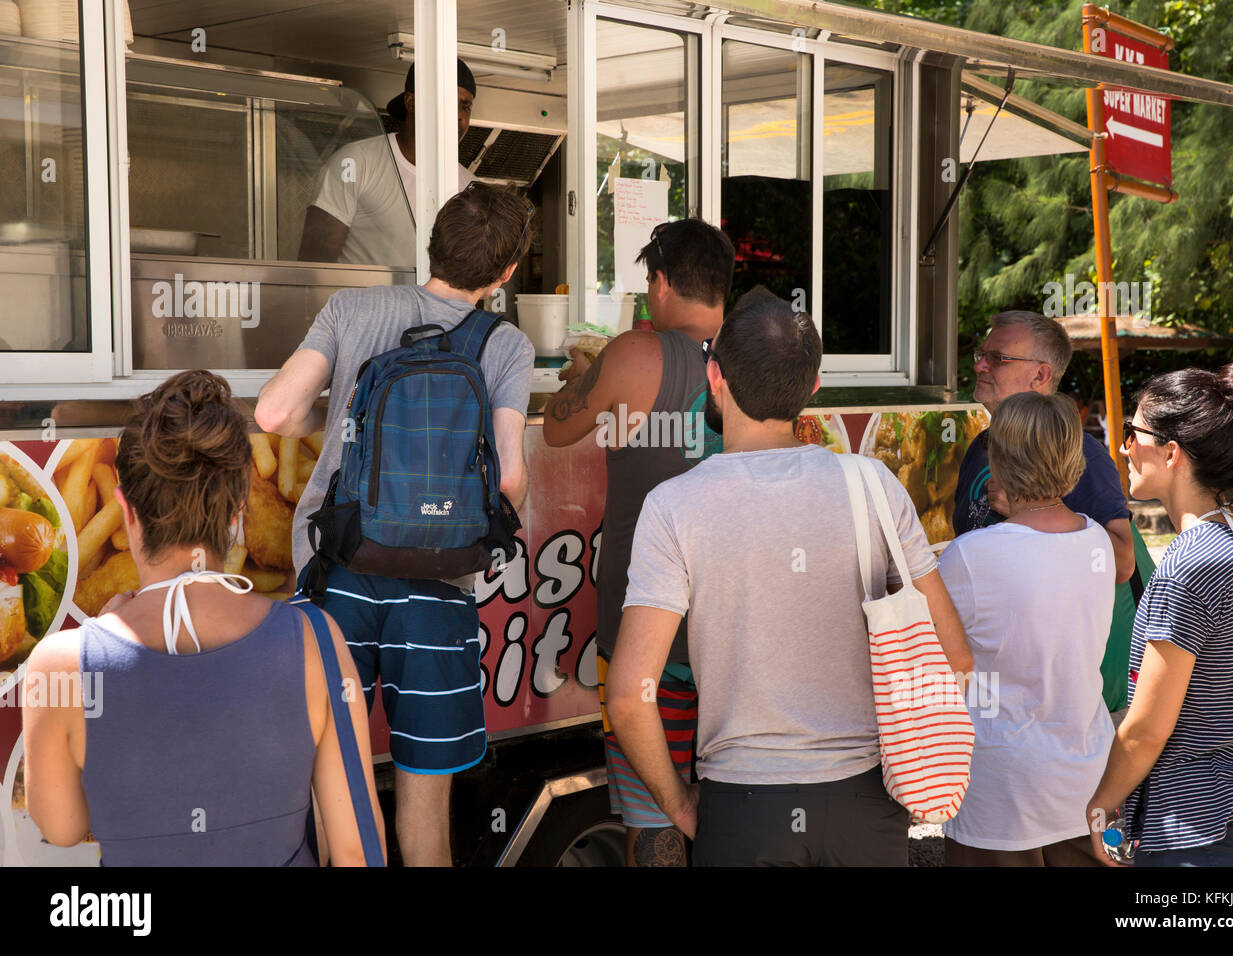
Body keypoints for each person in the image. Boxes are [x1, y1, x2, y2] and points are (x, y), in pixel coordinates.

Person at [605, 286, 973, 867]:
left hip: (741, 810)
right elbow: (956, 657)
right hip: (869, 806)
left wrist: (678, 807)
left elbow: (629, 697)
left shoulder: (674, 506)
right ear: (813, 389)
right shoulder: (875, 485)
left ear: (714, 376)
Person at [256, 183, 535, 866]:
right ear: (505, 274)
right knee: (424, 797)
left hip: (338, 572)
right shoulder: (505, 345)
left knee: (330, 777)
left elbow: (272, 414)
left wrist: (334, 423)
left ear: (431, 247)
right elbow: (506, 479)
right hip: (439, 588)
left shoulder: (351, 309)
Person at [22, 371, 383, 866]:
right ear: (238, 510)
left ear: (126, 511)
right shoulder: (317, 639)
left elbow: (60, 828)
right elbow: (357, 851)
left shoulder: (59, 665)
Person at [541, 218, 733, 866]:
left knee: (657, 814)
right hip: (735, 634)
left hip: (644, 632)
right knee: (740, 803)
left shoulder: (636, 353)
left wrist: (584, 375)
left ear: (659, 282)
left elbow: (558, 430)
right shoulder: (755, 356)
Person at [1086, 357, 1233, 867]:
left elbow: (1147, 728)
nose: (1123, 447)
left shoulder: (1187, 567)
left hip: (1203, 835)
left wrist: (1101, 806)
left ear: (1172, 451)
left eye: (1133, 433)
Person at [938, 391, 1115, 866]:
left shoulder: (971, 556)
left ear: (1000, 460)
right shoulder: (1097, 539)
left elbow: (933, 656)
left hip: (1001, 788)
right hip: (1085, 776)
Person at [954, 311, 1139, 712]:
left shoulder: (1080, 450)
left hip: (1056, 703)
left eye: (998, 358)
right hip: (993, 692)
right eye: (980, 355)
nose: (980, 365)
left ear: (1040, 376)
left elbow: (1122, 561)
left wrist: (1030, 511)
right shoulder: (980, 447)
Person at [299, 60, 479, 266]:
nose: (457, 116)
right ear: (412, 103)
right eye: (446, 101)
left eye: (465, 106)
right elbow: (313, 267)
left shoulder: (472, 188)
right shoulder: (356, 162)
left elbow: (475, 277)